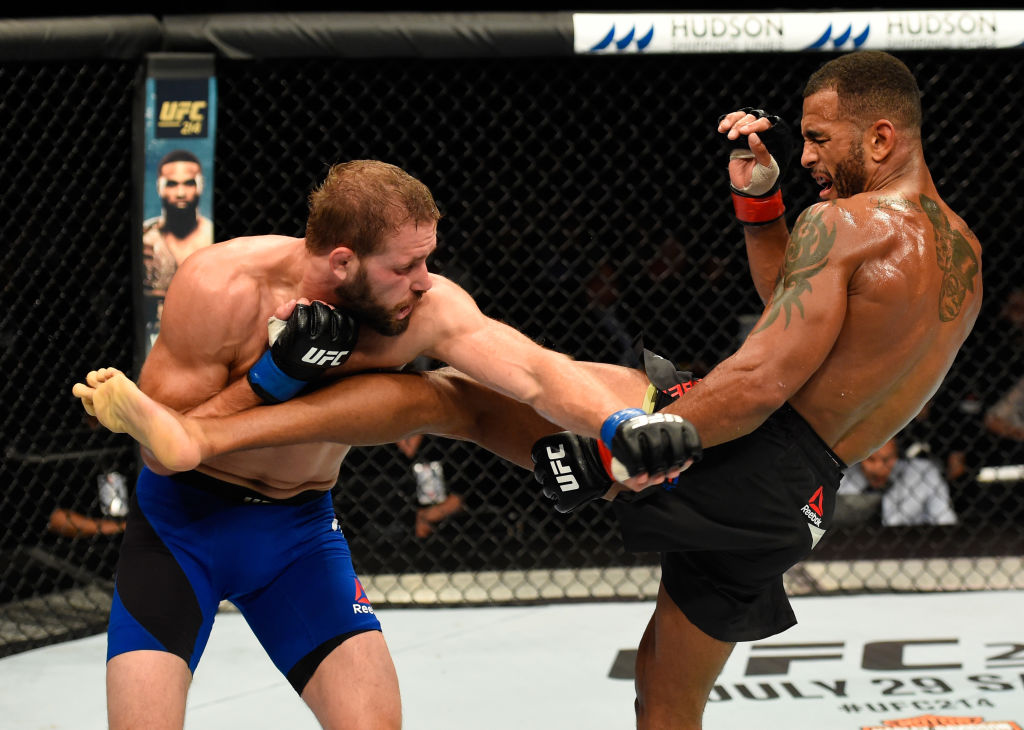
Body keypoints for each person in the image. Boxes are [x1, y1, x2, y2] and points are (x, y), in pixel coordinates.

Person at [75, 52, 981, 728]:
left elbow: (728, 374)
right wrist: (759, 207)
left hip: (730, 447)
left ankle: (622, 432)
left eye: (817, 139)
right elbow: (796, 309)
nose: (807, 154)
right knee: (668, 679)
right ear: (342, 261)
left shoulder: (844, 223)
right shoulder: (962, 254)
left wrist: (642, 431)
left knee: (453, 399)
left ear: (881, 137)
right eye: (410, 265)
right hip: (801, 496)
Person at [74, 158, 693, 730]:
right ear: (343, 262)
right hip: (181, 529)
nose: (424, 281)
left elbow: (534, 371)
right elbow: (163, 448)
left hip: (298, 535)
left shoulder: (424, 307)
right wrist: (271, 379)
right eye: (405, 266)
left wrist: (618, 425)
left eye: (427, 260)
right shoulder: (222, 285)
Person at [837, 436, 958, 526]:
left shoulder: (924, 473)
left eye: (886, 460)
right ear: (860, 459)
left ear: (897, 456)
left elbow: (945, 520)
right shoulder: (840, 480)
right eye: (871, 460)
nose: (879, 468)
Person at [142, 149, 215, 297]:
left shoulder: (213, 236)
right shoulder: (146, 236)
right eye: (172, 184)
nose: (180, 193)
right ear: (159, 188)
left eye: (189, 183)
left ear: (200, 186)